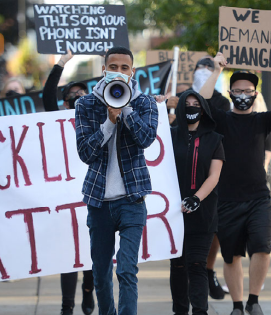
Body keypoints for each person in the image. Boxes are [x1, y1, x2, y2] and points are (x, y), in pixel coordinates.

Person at [198, 52, 271, 315]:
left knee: (262, 248)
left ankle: (253, 300)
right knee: (231, 255)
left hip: (258, 199)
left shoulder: (261, 120)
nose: (243, 94)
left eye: (248, 90)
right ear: (230, 93)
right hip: (227, 199)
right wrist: (217, 70)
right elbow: (202, 100)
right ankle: (238, 306)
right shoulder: (222, 120)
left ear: (255, 93)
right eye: (238, 90)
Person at [75, 46, 158, 315]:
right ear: (104, 70)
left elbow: (146, 139)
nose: (119, 72)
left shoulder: (145, 103)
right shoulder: (86, 105)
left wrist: (126, 112)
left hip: (132, 200)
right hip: (98, 202)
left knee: (126, 269)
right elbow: (85, 153)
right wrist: (109, 123)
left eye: (125, 68)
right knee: (100, 273)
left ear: (132, 72)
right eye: (113, 67)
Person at [42, 50, 96, 315]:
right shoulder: (57, 121)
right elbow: (46, 95)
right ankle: (67, 306)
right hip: (65, 198)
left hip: (94, 194)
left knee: (93, 253)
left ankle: (88, 289)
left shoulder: (99, 120)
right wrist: (61, 63)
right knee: (69, 252)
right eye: (71, 96)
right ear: (64, 104)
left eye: (82, 94)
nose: (77, 98)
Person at [170, 90, 224, 315]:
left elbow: (214, 175)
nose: (191, 108)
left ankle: (200, 311)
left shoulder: (214, 139)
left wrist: (196, 198)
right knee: (178, 265)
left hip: (202, 213)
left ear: (203, 109)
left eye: (196, 104)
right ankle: (180, 310)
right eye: (187, 104)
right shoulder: (169, 135)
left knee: (196, 264)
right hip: (173, 214)